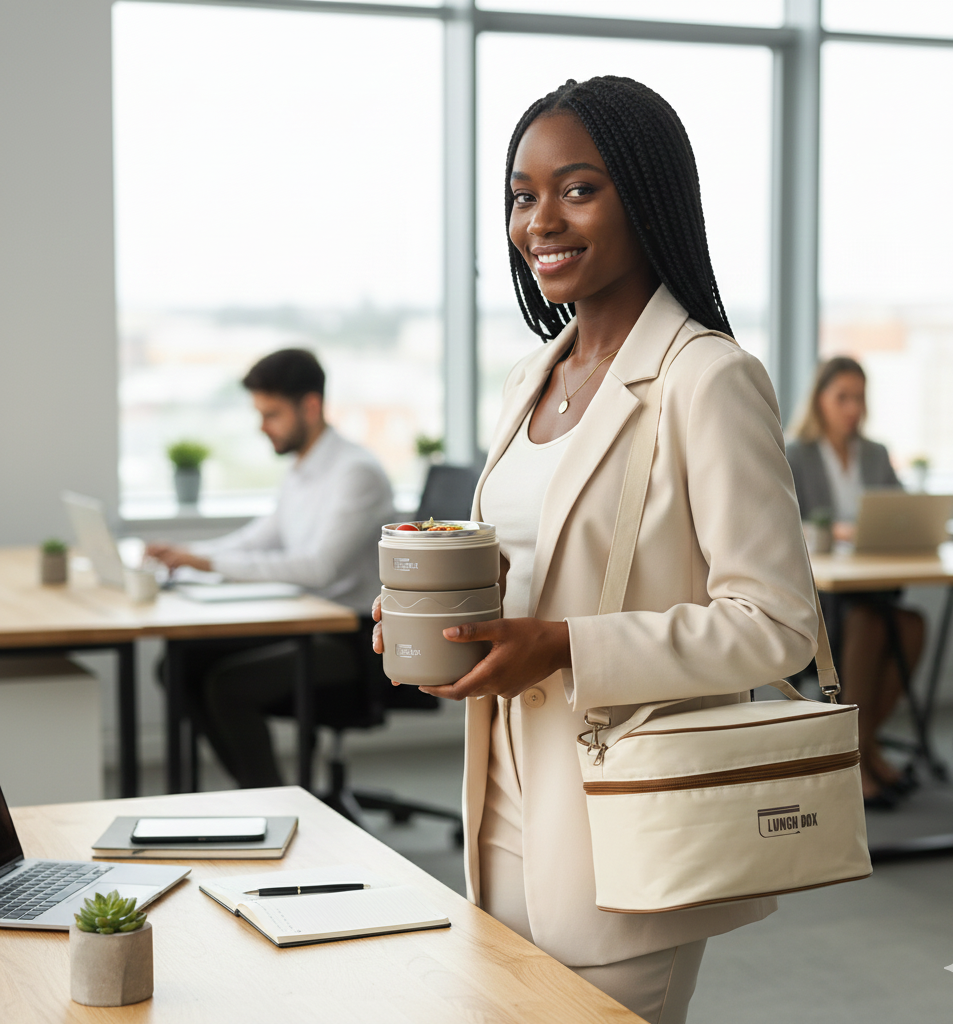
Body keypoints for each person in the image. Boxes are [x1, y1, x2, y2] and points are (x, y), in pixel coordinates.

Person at [373, 77, 818, 1024]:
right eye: (522, 196)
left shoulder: (707, 378)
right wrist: (441, 608)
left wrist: (565, 646)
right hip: (504, 801)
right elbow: (540, 562)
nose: (541, 221)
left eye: (578, 189)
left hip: (627, 816)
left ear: (648, 196)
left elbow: (778, 625)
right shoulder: (531, 379)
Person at [147, 348, 395, 788]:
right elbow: (258, 538)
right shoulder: (303, 469)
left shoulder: (356, 473)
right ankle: (260, 792)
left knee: (228, 685)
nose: (263, 426)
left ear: (310, 406)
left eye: (272, 414)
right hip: (304, 621)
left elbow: (319, 567)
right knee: (179, 666)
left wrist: (206, 561)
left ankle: (275, 803)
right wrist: (184, 555)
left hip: (352, 636)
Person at [787, 355, 926, 808]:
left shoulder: (875, 453)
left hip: (870, 586)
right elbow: (783, 524)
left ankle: (862, 748)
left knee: (912, 626)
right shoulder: (796, 453)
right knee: (867, 622)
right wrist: (837, 531)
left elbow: (900, 515)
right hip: (819, 601)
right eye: (842, 397)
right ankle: (859, 760)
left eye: (859, 398)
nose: (852, 408)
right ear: (820, 400)